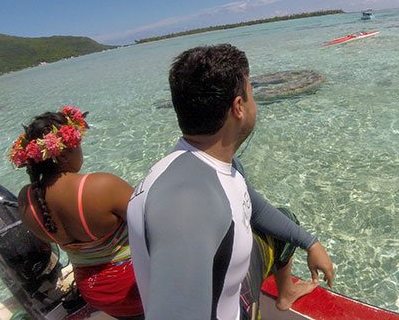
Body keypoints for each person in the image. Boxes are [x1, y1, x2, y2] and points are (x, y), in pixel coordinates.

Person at [127, 44, 335, 320]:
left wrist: (310, 242)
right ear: (238, 107)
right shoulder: (189, 204)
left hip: (229, 289)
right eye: (251, 95)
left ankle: (285, 292)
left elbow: (256, 209)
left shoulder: (209, 164)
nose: (254, 104)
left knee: (285, 220)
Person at [13, 106, 144, 320]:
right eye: (79, 145)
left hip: (94, 292)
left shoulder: (26, 200)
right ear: (63, 155)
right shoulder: (100, 187)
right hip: (133, 287)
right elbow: (154, 222)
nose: (82, 151)